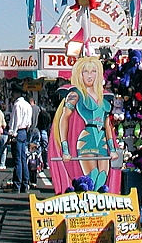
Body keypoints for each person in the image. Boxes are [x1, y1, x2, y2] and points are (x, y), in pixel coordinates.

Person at [50, 56, 119, 194]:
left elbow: (107, 125)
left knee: (102, 179)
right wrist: (65, 149)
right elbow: (64, 118)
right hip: (87, 139)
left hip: (102, 142)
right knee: (91, 178)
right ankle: (86, 212)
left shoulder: (103, 96)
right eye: (85, 72)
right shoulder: (75, 94)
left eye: (93, 71)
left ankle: (99, 213)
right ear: (79, 74)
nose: (89, 75)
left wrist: (112, 148)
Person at [8, 94, 34, 193]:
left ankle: (17, 185)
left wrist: (12, 133)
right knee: (23, 159)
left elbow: (16, 121)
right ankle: (25, 183)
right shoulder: (27, 105)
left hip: (18, 132)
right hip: (24, 132)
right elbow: (29, 122)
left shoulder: (17, 105)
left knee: (18, 160)